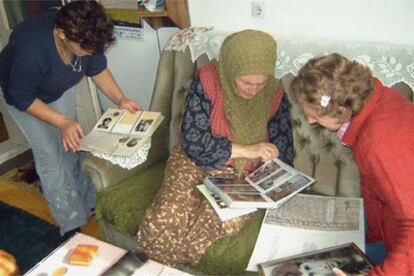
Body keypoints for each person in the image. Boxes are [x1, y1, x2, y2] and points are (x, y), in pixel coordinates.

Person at [137, 29, 294, 266]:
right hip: (193, 160)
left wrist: (272, 165)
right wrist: (248, 149)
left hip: (241, 173)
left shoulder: (275, 93)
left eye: (260, 83)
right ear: (231, 70)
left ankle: (177, 270)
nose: (254, 90)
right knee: (167, 216)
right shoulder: (208, 80)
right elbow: (193, 140)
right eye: (247, 82)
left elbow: (284, 152)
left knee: (216, 224)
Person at [0, 1, 141, 236]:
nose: (89, 53)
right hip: (24, 96)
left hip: (56, 86)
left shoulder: (88, 36)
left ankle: (88, 202)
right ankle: (70, 222)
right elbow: (20, 97)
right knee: (51, 155)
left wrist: (121, 99)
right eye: (84, 49)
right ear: (61, 34)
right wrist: (61, 121)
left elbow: (97, 69)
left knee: (73, 146)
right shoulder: (31, 47)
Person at [290, 53, 414, 275]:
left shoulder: (378, 142)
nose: (309, 121)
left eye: (316, 116)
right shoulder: (380, 99)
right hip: (387, 231)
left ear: (341, 110)